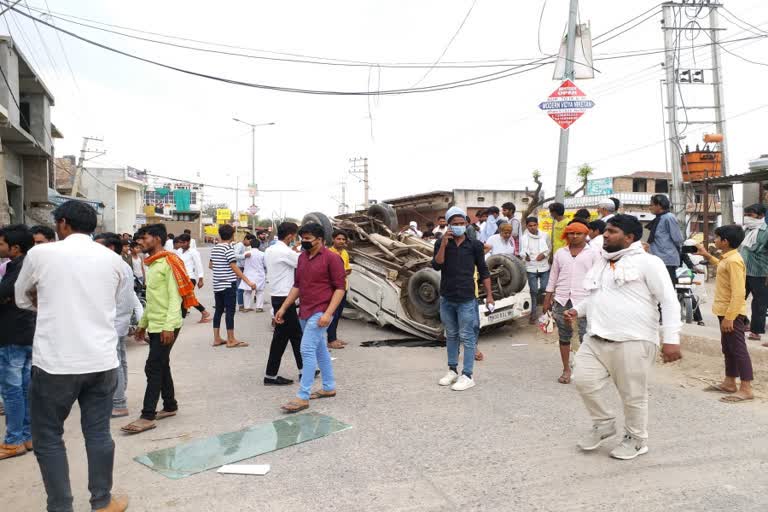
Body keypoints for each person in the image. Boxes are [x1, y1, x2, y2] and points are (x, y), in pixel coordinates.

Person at [15, 200, 129, 512]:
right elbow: (119, 309)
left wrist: (48, 305)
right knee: (98, 433)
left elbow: (21, 298)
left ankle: (61, 507)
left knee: (49, 437)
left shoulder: (40, 254)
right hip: (102, 361)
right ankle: (102, 502)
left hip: (56, 363)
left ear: (63, 223)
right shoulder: (115, 261)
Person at [566, 214, 682, 460]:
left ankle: (637, 440)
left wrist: (671, 338)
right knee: (582, 380)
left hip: (633, 340)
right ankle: (604, 423)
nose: (605, 235)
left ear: (629, 237)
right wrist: (579, 309)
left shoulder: (649, 263)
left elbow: (669, 301)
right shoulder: (603, 262)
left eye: (613, 231)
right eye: (606, 230)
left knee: (633, 396)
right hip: (596, 338)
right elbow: (599, 295)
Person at [121, 223, 199, 435]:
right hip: (155, 323)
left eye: (144, 239)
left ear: (156, 239)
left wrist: (168, 327)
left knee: (152, 366)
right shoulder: (152, 264)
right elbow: (154, 300)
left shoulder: (169, 262)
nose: (141, 243)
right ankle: (170, 405)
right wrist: (142, 324)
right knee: (161, 364)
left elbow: (176, 298)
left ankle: (147, 416)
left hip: (167, 324)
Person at [277, 223, 345, 413]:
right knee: (320, 349)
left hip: (321, 310)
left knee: (306, 349)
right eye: (303, 238)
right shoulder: (302, 258)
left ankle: (302, 396)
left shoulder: (333, 259)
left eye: (308, 238)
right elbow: (297, 286)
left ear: (321, 240)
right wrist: (283, 307)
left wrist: (328, 314)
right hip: (305, 310)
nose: (304, 242)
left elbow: (340, 288)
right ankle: (329, 387)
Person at [432, 206, 494, 391]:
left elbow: (484, 271)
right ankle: (452, 370)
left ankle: (467, 375)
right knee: (451, 335)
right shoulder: (441, 243)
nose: (459, 226)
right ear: (449, 225)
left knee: (467, 337)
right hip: (447, 297)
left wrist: (489, 295)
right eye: (455, 224)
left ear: (467, 224)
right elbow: (437, 265)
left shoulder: (474, 245)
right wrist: (443, 244)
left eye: (462, 223)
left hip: (467, 297)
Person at [697, 226, 754, 401]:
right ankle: (730, 382)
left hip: (733, 313)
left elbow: (739, 292)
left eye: (717, 237)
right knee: (728, 348)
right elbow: (722, 266)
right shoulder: (727, 259)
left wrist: (730, 317)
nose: (715, 240)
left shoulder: (734, 261)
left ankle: (746, 388)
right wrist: (707, 255)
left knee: (738, 350)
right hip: (724, 311)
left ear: (725, 241)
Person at [93, 233, 144, 420]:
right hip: (119, 319)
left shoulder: (110, 266)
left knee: (113, 361)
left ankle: (119, 402)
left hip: (112, 320)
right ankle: (119, 395)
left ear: (110, 248)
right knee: (120, 358)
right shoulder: (121, 264)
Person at [543, 220, 600, 385]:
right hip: (562, 299)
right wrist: (547, 298)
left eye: (578, 233)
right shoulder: (561, 253)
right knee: (564, 336)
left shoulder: (594, 253)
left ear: (585, 235)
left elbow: (599, 278)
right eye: (571, 233)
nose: (574, 236)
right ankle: (566, 369)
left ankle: (586, 370)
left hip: (585, 300)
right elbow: (553, 276)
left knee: (586, 336)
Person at [0, 225, 35, 460]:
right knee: (23, 388)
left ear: (15, 247)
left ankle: (14, 441)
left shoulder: (19, 268)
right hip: (24, 334)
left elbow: (4, 291)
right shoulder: (23, 266)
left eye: (1, 243)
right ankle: (26, 435)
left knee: (12, 391)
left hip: (13, 335)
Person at [264, 222, 304, 386]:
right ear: (290, 236)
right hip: (284, 298)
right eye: (295, 236)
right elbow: (302, 262)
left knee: (293, 336)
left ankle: (304, 369)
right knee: (284, 337)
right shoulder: (285, 252)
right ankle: (271, 375)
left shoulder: (270, 249)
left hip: (277, 295)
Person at [210, 224, 256, 348]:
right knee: (230, 311)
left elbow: (211, 265)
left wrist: (220, 268)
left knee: (219, 311)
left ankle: (217, 338)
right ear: (232, 235)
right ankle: (231, 340)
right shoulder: (228, 249)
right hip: (228, 285)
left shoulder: (215, 248)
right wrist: (248, 281)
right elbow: (234, 267)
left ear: (220, 235)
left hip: (217, 285)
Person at [739, 204, 768, 342]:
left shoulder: (766, 232)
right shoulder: (745, 230)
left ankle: (756, 331)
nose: (747, 218)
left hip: (761, 273)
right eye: (746, 214)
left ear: (761, 216)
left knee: (759, 303)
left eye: (751, 215)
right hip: (742, 271)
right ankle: (744, 323)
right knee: (737, 299)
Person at [519, 217, 550, 324]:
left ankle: (540, 303)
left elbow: (549, 248)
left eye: (534, 225)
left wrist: (544, 254)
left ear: (537, 225)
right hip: (531, 267)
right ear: (527, 226)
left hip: (544, 267)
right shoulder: (524, 237)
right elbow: (521, 251)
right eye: (530, 226)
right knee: (533, 291)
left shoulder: (545, 235)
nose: (532, 227)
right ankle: (533, 314)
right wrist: (525, 256)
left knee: (544, 287)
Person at [647, 194, 684, 284]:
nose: (650, 207)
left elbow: (677, 238)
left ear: (659, 206)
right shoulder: (659, 218)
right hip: (657, 258)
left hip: (667, 259)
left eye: (651, 205)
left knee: (668, 288)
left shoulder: (669, 217)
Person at [176, 233, 211, 323]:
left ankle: (181, 319)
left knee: (185, 298)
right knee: (187, 298)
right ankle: (204, 312)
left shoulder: (193, 252)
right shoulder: (178, 251)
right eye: (180, 243)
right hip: (180, 278)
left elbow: (199, 265)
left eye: (183, 243)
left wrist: (201, 279)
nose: (181, 245)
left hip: (190, 278)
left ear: (188, 242)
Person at [327, 230, 352, 349]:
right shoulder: (328, 253)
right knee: (332, 313)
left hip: (343, 287)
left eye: (343, 239)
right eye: (339, 239)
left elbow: (346, 269)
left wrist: (346, 271)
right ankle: (330, 340)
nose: (341, 241)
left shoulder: (345, 253)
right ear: (333, 239)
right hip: (333, 289)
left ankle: (334, 337)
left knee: (338, 315)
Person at [240, 239, 267, 312]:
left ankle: (247, 307)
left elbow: (242, 264)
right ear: (259, 245)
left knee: (247, 292)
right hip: (259, 275)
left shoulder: (246, 253)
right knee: (260, 291)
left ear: (251, 245)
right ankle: (259, 307)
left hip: (248, 274)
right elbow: (265, 265)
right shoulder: (262, 254)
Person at [233, 234, 251, 312]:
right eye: (250, 241)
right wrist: (244, 256)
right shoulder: (240, 245)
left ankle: (241, 304)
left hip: (241, 268)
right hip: (238, 268)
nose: (250, 243)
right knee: (239, 288)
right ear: (246, 239)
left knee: (240, 287)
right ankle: (241, 305)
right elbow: (234, 255)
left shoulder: (244, 246)